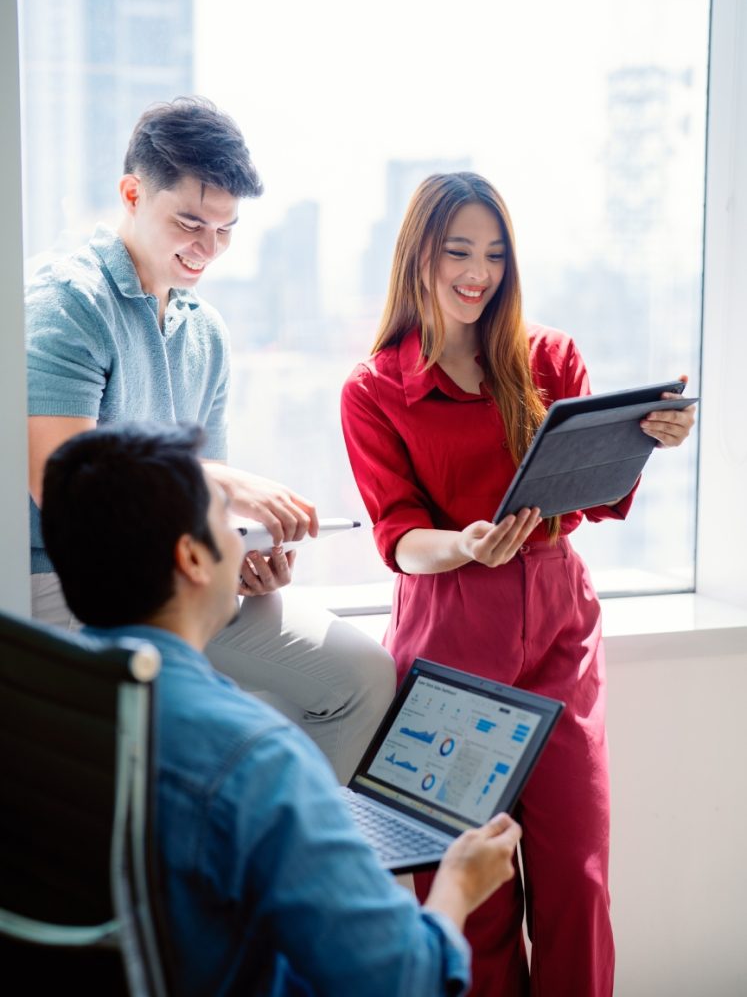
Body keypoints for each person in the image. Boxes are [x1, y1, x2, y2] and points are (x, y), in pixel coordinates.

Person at [340, 172, 696, 997]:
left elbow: (596, 491)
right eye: (458, 250)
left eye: (494, 254)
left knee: (578, 873)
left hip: (559, 629)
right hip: (451, 642)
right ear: (418, 255)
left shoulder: (547, 358)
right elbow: (400, 539)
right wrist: (465, 545)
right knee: (473, 885)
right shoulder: (373, 388)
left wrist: (647, 435)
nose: (478, 271)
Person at [40, 421, 523, 996]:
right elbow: (400, 977)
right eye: (228, 521)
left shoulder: (45, 693)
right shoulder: (256, 759)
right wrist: (458, 887)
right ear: (193, 558)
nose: (248, 538)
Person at [25, 95, 394, 783]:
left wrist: (240, 556)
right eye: (190, 222)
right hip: (64, 582)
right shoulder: (65, 306)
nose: (208, 248)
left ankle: (276, 875)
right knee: (221, 729)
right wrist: (224, 484)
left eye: (224, 230)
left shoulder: (206, 332)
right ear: (132, 194)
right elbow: (63, 489)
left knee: (362, 677)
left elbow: (198, 502)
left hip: (174, 574)